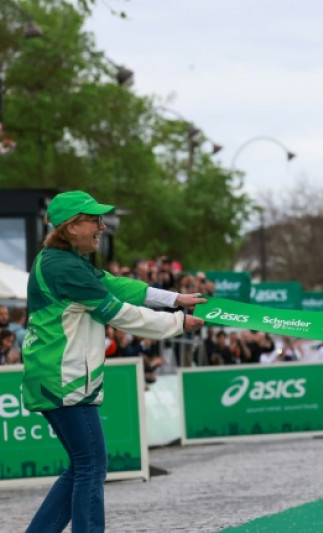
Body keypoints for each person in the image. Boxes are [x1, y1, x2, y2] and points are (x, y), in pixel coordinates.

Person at [21, 190, 205, 533]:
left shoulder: (64, 261)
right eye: (95, 220)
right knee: (91, 465)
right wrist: (178, 322)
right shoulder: (65, 267)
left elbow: (118, 286)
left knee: (82, 466)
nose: (102, 227)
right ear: (72, 227)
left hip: (57, 376)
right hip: (64, 378)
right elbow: (119, 313)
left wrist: (174, 298)